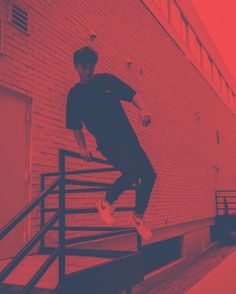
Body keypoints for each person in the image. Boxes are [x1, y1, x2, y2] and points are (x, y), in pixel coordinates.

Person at [66, 46, 157, 240]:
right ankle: (105, 202)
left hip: (128, 137)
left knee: (150, 174)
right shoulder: (75, 95)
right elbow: (75, 126)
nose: (88, 72)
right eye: (84, 68)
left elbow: (132, 94)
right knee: (133, 171)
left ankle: (138, 217)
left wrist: (143, 109)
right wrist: (83, 148)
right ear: (76, 67)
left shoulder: (106, 80)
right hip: (107, 142)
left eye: (91, 67)